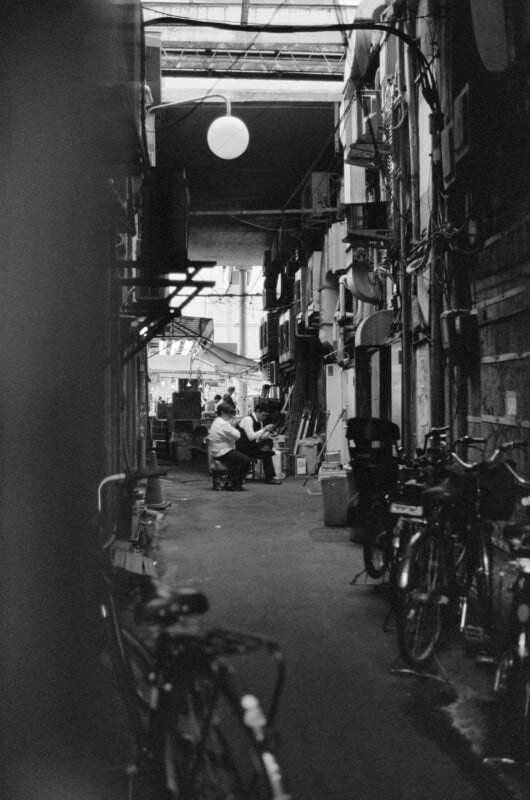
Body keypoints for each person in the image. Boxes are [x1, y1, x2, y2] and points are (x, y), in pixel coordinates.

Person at [207, 403, 251, 491]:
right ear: (223, 413)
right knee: (245, 460)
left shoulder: (216, 422)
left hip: (217, 451)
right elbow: (238, 435)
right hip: (223, 452)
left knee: (238, 459)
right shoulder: (223, 424)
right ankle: (234, 484)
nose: (231, 416)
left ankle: (230, 481)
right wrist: (233, 425)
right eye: (229, 414)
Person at [237, 403, 282, 484]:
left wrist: (269, 433)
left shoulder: (259, 422)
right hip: (243, 448)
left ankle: (270, 477)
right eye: (263, 415)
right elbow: (251, 436)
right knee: (266, 452)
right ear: (257, 411)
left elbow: (259, 437)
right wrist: (264, 429)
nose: (264, 417)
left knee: (268, 449)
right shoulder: (248, 419)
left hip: (251, 446)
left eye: (266, 415)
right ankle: (269, 477)